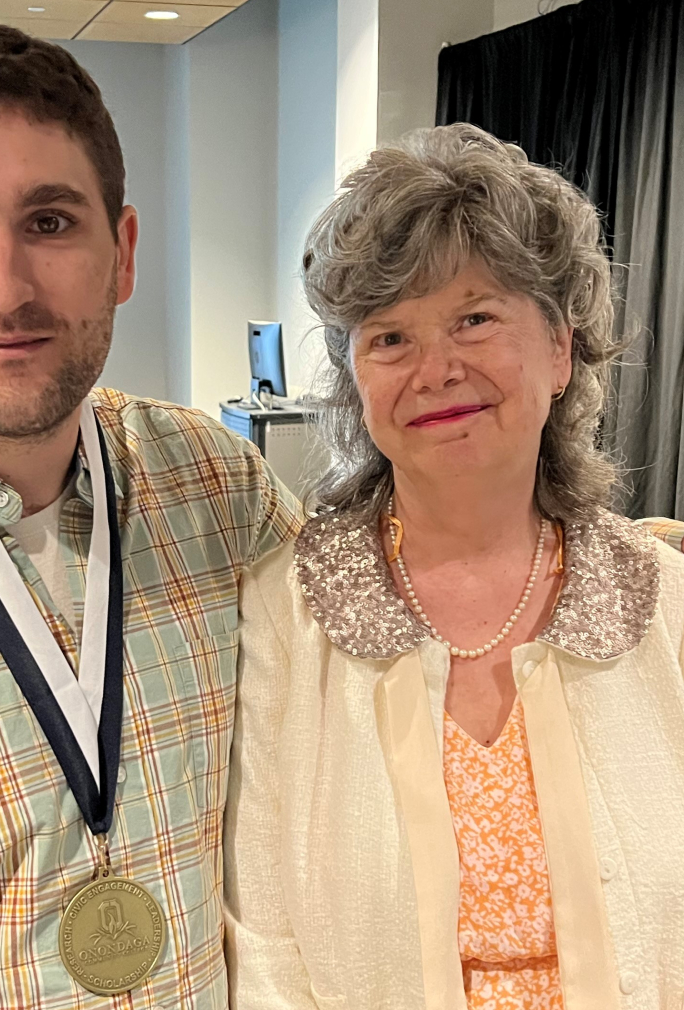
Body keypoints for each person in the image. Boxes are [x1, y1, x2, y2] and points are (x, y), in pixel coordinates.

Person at [0, 19, 302, 1009]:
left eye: (48, 220)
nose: (6, 288)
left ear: (121, 251)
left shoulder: (220, 489)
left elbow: (397, 630)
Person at [223, 124, 684, 1009]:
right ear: (355, 378)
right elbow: (264, 946)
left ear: (559, 349)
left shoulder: (664, 608)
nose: (435, 370)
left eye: (474, 318)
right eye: (388, 337)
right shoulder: (282, 616)